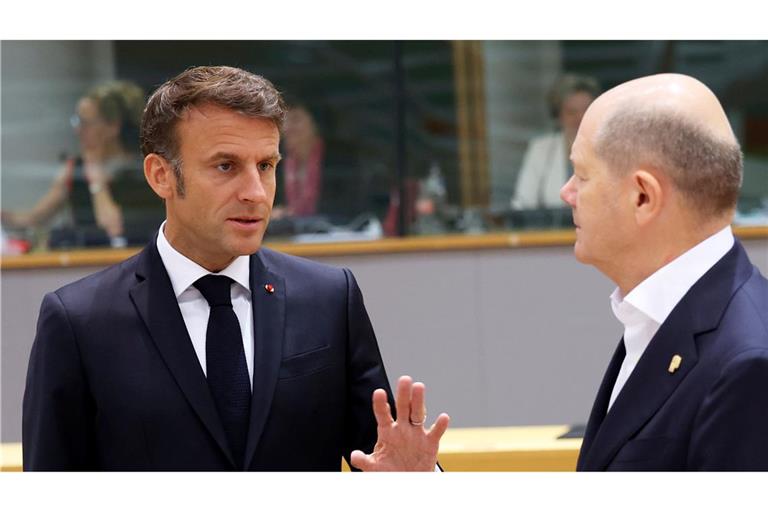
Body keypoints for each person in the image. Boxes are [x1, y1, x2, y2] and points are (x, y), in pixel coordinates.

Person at [22, 65, 448, 471]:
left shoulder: (329, 298)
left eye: (266, 166)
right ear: (160, 176)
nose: (255, 192)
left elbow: (382, 458)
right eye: (226, 166)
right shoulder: (79, 321)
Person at [561, 73, 768, 470]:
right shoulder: (662, 319)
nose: (567, 192)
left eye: (582, 175)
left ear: (643, 196)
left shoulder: (748, 365)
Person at [2, 80, 161, 248]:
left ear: (112, 127)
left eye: (85, 123)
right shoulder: (74, 168)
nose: (78, 130)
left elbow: (113, 229)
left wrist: (96, 179)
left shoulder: (139, 170)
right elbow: (34, 219)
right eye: (77, 121)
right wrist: (4, 216)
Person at [512, 74, 600, 210]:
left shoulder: (608, 148)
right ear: (558, 116)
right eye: (572, 112)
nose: (580, 117)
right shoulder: (540, 149)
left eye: (586, 110)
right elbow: (523, 204)